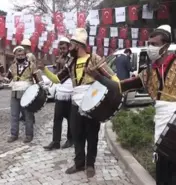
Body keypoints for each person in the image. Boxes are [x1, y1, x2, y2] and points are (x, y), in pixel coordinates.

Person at [88, 25, 176, 185]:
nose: (149, 47)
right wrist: (98, 77)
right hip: (161, 129)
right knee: (163, 176)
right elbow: (121, 86)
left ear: (166, 46)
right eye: (148, 43)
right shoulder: (148, 72)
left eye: (154, 44)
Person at [38, 28, 121, 178]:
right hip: (75, 102)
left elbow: (114, 79)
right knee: (77, 134)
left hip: (92, 102)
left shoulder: (95, 58)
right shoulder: (71, 62)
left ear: (79, 45)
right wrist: (44, 69)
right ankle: (79, 163)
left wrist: (98, 78)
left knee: (92, 134)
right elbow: (58, 79)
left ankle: (90, 164)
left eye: (71, 45)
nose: (69, 49)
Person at [6, 46, 44, 143]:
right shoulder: (12, 66)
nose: (20, 56)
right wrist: (0, 78)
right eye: (18, 55)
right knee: (14, 115)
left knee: (28, 115)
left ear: (25, 55)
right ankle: (14, 134)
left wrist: (41, 88)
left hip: (27, 93)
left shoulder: (31, 65)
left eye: (22, 54)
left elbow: (38, 79)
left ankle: (29, 135)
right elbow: (7, 79)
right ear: (15, 55)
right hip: (15, 93)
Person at [43, 37, 73, 150]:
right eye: (60, 48)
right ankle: (56, 141)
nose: (61, 50)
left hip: (70, 91)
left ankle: (70, 139)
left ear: (69, 48)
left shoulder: (72, 59)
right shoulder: (59, 58)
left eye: (64, 48)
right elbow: (56, 73)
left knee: (70, 118)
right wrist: (57, 65)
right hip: (60, 91)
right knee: (57, 118)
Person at [20, 39, 37, 121]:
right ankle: (24, 116)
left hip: (28, 80)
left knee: (27, 99)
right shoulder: (30, 55)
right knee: (24, 98)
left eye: (23, 47)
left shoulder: (29, 56)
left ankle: (30, 117)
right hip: (25, 80)